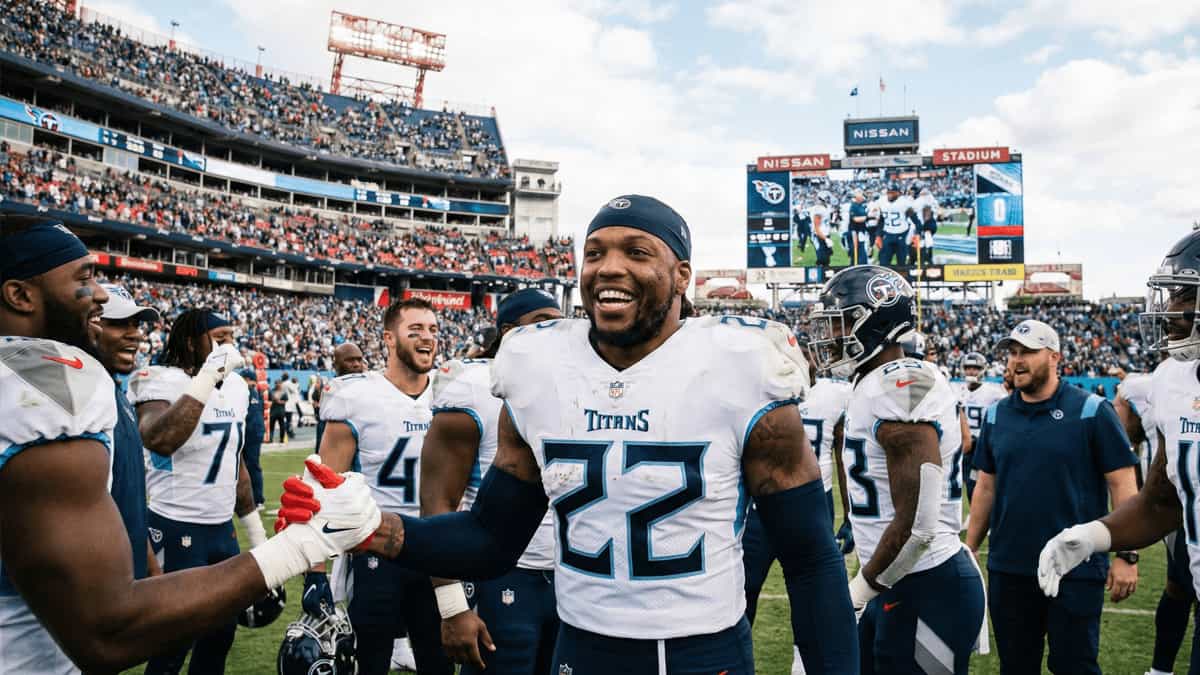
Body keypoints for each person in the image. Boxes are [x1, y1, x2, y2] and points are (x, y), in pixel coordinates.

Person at [283, 194, 859, 673]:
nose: (609, 267)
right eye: (594, 253)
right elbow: (492, 537)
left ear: (682, 275)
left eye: (637, 252)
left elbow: (809, 558)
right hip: (582, 646)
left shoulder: (741, 365)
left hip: (702, 650)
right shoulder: (537, 367)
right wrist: (376, 529)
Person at [0, 218, 380, 673]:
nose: (100, 294)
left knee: (209, 643)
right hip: (27, 657)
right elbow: (106, 628)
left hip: (207, 532)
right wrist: (299, 546)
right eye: (83, 278)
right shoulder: (43, 385)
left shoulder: (45, 380)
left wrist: (250, 534)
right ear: (20, 294)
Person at [1037, 230, 1200, 675]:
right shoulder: (1174, 379)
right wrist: (1093, 537)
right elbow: (1162, 502)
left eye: (1185, 296)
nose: (1168, 311)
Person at [811, 266, 984, 674]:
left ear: (878, 323)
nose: (832, 336)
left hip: (928, 583)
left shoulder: (901, 382)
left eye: (843, 323)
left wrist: (860, 589)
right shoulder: (870, 381)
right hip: (895, 576)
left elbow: (920, 525)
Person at [966, 319, 1138, 674]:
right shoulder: (998, 413)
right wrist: (969, 548)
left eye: (1028, 351)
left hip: (1075, 567)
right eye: (1012, 353)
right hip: (1010, 568)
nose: (1017, 360)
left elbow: (1123, 483)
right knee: (1015, 666)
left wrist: (1127, 555)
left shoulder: (1091, 410)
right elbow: (986, 487)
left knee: (1075, 666)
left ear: (1055, 356)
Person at [420, 289, 564, 674]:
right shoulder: (473, 387)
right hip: (501, 575)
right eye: (542, 322)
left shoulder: (575, 388)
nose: (555, 331)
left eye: (559, 321)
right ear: (509, 331)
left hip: (572, 579)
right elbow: (437, 505)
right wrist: (452, 607)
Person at [309, 297, 453, 675]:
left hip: (438, 549)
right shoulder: (356, 395)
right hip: (377, 550)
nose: (428, 338)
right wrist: (314, 570)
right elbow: (323, 489)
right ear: (389, 339)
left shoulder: (453, 391)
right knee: (369, 662)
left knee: (440, 662)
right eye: (416, 329)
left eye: (434, 330)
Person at [129, 309, 269, 674]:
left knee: (219, 637)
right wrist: (208, 376)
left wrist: (256, 533)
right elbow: (160, 438)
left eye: (231, 337)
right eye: (219, 337)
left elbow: (234, 461)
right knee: (172, 643)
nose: (229, 346)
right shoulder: (159, 379)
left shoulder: (237, 387)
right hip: (176, 525)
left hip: (222, 530)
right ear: (192, 341)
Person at [742, 343, 852, 674]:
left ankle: (804, 666)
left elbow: (843, 457)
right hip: (759, 511)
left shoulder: (836, 394)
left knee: (818, 604)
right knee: (739, 598)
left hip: (812, 506)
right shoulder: (755, 393)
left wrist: (849, 514)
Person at [93, 283, 162, 580]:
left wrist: (152, 571)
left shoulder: (115, 391)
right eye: (120, 324)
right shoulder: (81, 402)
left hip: (128, 585)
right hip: (99, 590)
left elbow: (129, 504)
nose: (135, 333)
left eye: (136, 324)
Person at [957, 351, 1006, 505]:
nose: (971, 371)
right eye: (968, 368)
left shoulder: (993, 393)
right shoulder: (958, 391)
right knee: (965, 484)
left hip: (982, 445)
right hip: (963, 446)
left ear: (983, 370)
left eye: (975, 368)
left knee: (981, 484)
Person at [315, 343, 366, 456]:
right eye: (350, 360)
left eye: (359, 360)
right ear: (336, 364)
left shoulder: (370, 383)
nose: (356, 364)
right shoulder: (333, 389)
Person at [241, 369, 267, 508]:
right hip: (253, 432)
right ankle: (254, 498)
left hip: (250, 433)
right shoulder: (256, 393)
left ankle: (257, 499)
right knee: (249, 466)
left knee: (251, 466)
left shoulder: (247, 392)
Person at [876, 183, 917, 267]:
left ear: (898, 193)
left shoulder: (904, 202)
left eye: (893, 192)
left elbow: (915, 219)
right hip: (888, 234)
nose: (890, 194)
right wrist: (878, 235)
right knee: (883, 263)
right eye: (889, 192)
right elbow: (881, 220)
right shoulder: (882, 201)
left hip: (902, 234)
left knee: (901, 263)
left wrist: (917, 233)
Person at [270, 378, 289, 443]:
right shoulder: (272, 391)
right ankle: (270, 438)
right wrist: (274, 400)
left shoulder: (284, 392)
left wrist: (279, 401)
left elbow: (286, 400)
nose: (278, 384)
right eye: (276, 383)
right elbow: (270, 399)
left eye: (279, 383)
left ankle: (281, 439)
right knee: (271, 426)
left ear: (281, 384)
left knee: (282, 426)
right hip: (273, 411)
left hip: (281, 411)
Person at [283, 372, 300, 438]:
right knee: (289, 420)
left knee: (286, 419)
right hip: (289, 404)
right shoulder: (288, 383)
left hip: (286, 404)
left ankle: (287, 431)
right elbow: (294, 390)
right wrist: (297, 383)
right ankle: (289, 432)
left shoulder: (283, 383)